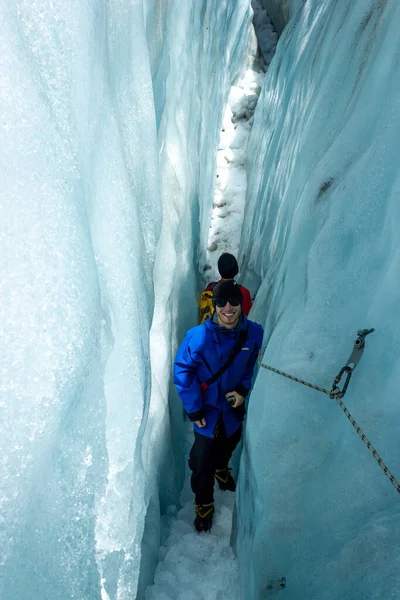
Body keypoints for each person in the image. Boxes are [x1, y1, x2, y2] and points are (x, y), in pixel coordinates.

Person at [174, 280, 263, 532]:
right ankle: (204, 503)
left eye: (233, 301)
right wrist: (194, 407)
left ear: (241, 305)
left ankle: (222, 468)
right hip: (207, 411)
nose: (228, 308)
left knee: (229, 441)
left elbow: (255, 366)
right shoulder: (197, 337)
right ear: (214, 306)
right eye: (221, 302)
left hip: (233, 409)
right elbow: (183, 370)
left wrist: (244, 389)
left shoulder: (254, 333)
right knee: (200, 461)